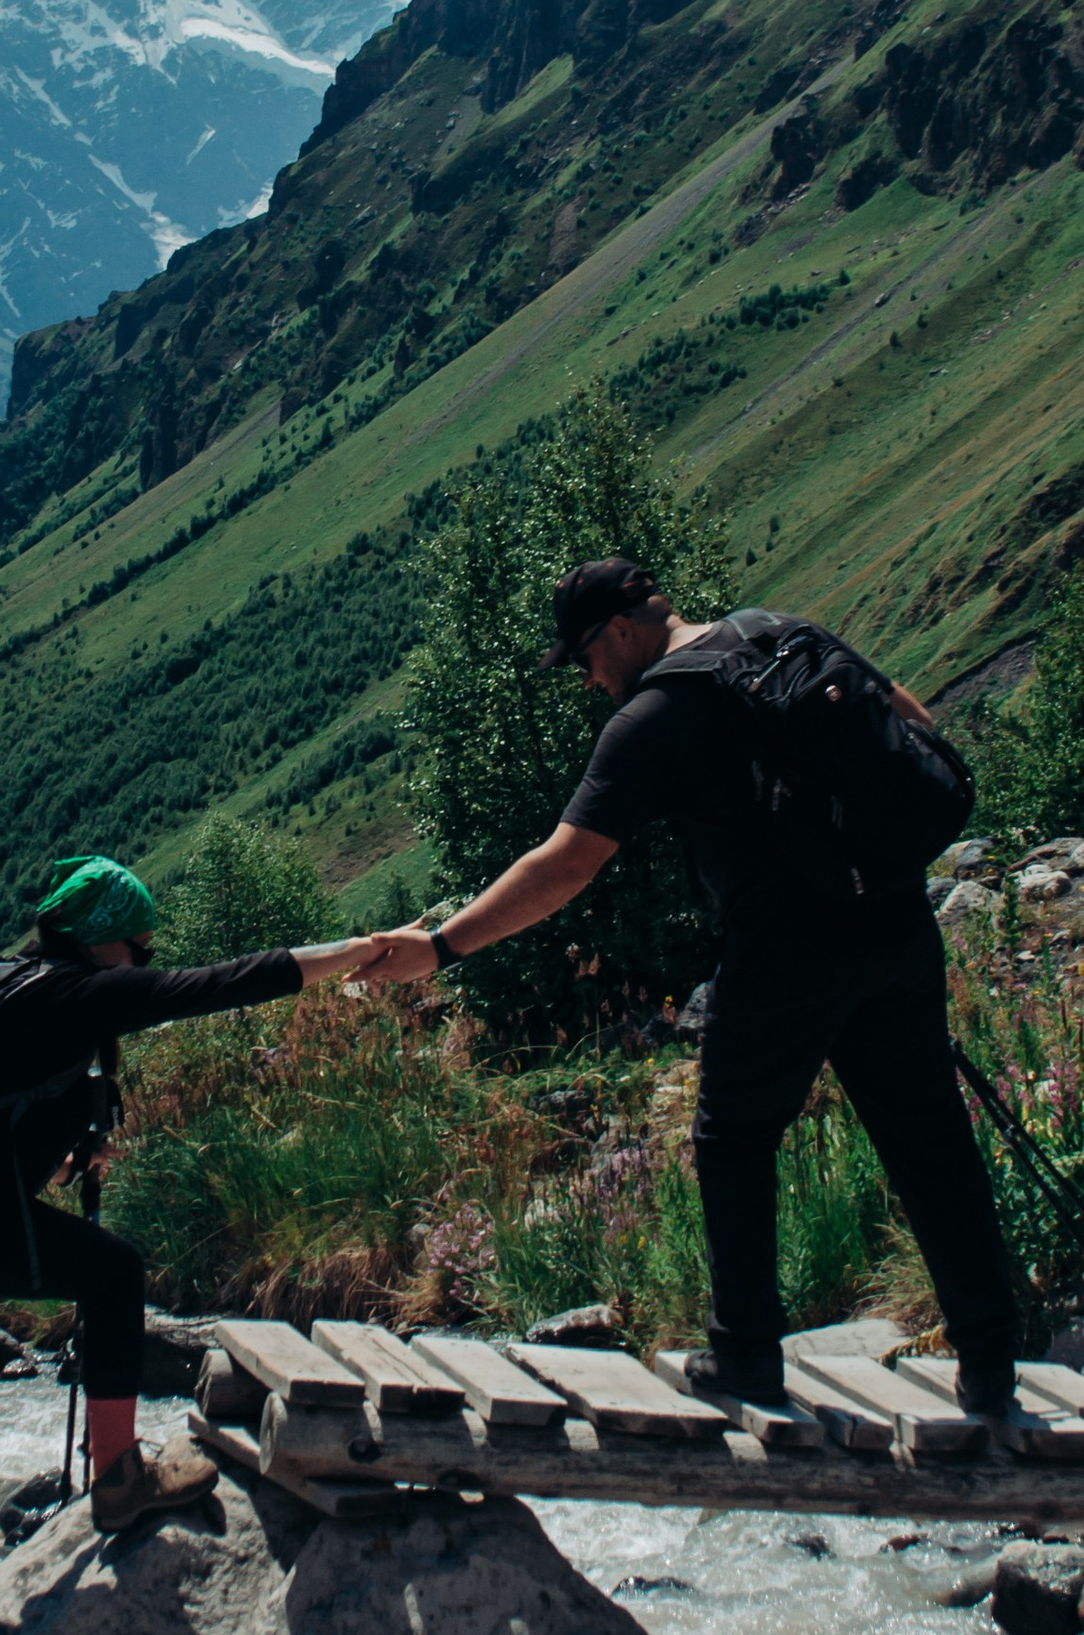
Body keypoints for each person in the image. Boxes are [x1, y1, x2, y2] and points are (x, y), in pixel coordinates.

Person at [367, 561, 1022, 1419]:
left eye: (585, 660)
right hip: (895, 922)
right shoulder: (777, 631)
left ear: (619, 631)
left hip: (787, 946)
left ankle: (746, 1356)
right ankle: (991, 1363)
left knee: (732, 1137)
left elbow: (564, 868)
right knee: (928, 1136)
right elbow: (915, 721)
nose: (590, 681)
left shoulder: (654, 716)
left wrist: (443, 946)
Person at [0, 852, 386, 1635]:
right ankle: (114, 1481)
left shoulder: (12, 987)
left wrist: (66, 1154)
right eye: (138, 947)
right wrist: (357, 953)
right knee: (94, 1288)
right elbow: (221, 984)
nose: (143, 964)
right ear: (104, 941)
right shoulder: (80, 993)